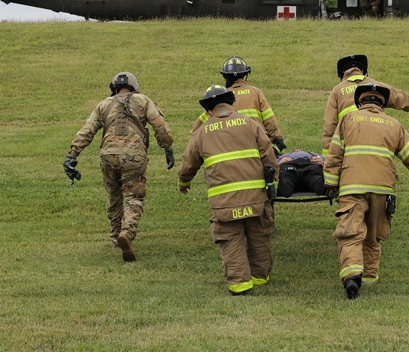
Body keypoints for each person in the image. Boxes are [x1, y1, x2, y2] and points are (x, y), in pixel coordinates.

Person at [323, 83, 409, 299]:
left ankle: (352, 278)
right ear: (382, 104)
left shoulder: (348, 120)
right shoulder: (394, 124)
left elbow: (334, 153)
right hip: (382, 188)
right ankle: (369, 277)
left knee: (350, 232)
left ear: (360, 102)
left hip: (352, 186)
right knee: (374, 234)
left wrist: (330, 183)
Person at [62, 71, 174, 262]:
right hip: (133, 156)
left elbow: (87, 130)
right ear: (134, 86)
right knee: (134, 197)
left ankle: (115, 238)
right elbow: (159, 125)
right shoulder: (143, 101)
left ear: (113, 88)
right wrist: (167, 148)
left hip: (108, 156)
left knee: (114, 197)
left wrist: (72, 154)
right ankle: (127, 234)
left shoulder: (104, 104)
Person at [179, 85, 278, 295]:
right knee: (259, 236)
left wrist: (184, 183)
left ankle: (240, 284)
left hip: (224, 202)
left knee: (230, 240)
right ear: (231, 102)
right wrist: (273, 184)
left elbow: (188, 164)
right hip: (256, 197)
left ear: (208, 109)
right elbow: (268, 155)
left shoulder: (202, 132)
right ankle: (260, 278)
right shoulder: (250, 123)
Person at [320, 54, 409, 156]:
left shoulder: (337, 91)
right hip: (377, 134)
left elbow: (330, 125)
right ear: (363, 71)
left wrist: (327, 156)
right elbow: (403, 99)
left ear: (342, 74)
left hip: (349, 137)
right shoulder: (377, 86)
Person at [192, 57, 285, 152]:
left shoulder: (223, 97)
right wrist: (278, 139)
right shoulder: (256, 92)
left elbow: (197, 129)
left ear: (225, 77)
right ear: (245, 75)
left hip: (231, 146)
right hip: (258, 143)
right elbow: (270, 120)